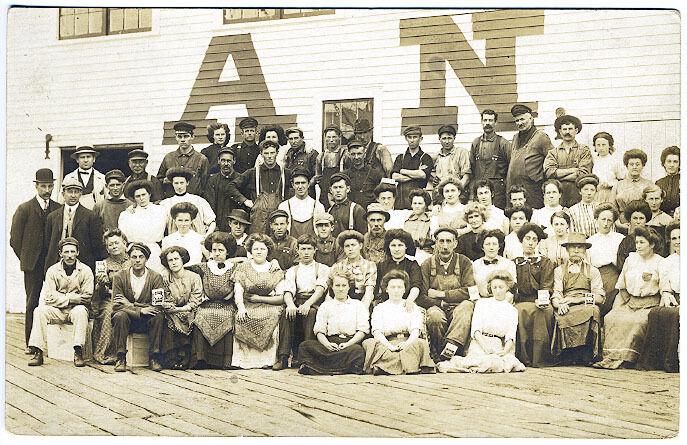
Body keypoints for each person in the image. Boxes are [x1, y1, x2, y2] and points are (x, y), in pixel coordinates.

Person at [594, 226, 663, 369]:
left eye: (642, 242)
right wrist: (618, 307)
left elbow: (663, 290)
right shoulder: (631, 259)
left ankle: (625, 359)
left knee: (636, 322)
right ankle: (609, 357)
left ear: (652, 245)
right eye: (637, 242)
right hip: (629, 301)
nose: (638, 246)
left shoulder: (660, 262)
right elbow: (622, 287)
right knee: (611, 318)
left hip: (650, 304)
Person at [10, 168, 60, 351]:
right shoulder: (25, 208)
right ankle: (31, 344)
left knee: (54, 301)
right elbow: (14, 240)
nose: (47, 190)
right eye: (43, 186)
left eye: (50, 186)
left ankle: (54, 343)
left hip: (54, 264)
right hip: (33, 265)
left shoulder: (58, 208)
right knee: (32, 302)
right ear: (36, 186)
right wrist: (27, 258)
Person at [437, 270, 525, 373]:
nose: (497, 291)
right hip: (479, 343)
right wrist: (485, 347)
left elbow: (510, 335)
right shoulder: (482, 304)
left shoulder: (512, 310)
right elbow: (476, 330)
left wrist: (504, 351)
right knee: (481, 362)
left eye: (501, 287)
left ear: (507, 288)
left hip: (498, 345)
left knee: (499, 363)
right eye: (494, 287)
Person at [27, 238, 93, 367]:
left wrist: (61, 298)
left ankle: (78, 352)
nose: (69, 255)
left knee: (80, 311)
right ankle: (38, 351)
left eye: (72, 251)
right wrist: (71, 298)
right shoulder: (52, 270)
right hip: (57, 310)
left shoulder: (86, 270)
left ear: (78, 253)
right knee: (39, 310)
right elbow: (49, 297)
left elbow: (87, 297)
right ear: (60, 253)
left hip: (75, 309)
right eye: (66, 252)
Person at [417, 227, 477, 360]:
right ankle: (441, 352)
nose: (445, 246)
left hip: (459, 306)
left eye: (449, 241)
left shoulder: (464, 262)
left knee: (467, 306)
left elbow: (469, 291)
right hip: (436, 306)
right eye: (441, 241)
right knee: (434, 317)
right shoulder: (427, 264)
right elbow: (422, 296)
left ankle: (450, 347)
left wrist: (441, 294)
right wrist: (441, 302)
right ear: (436, 243)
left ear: (455, 243)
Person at [364, 270, 435, 375]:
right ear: (387, 289)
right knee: (371, 343)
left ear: (404, 289)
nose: (396, 290)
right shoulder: (380, 308)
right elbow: (377, 332)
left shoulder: (412, 306)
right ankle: (405, 366)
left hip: (408, 342)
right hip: (387, 342)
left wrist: (407, 343)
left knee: (420, 344)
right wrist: (389, 346)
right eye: (393, 287)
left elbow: (416, 330)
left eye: (399, 287)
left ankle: (387, 367)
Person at [297, 271, 369, 375]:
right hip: (329, 344)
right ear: (332, 287)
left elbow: (362, 331)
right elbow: (319, 330)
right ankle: (340, 368)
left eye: (344, 285)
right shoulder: (325, 306)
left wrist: (347, 344)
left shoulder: (358, 305)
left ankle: (319, 368)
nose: (340, 289)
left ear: (349, 287)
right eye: (337, 285)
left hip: (349, 344)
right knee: (305, 346)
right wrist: (327, 344)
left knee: (358, 351)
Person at [275, 235, 330, 370]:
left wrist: (308, 304)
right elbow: (288, 291)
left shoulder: (322, 268)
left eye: (309, 249)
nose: (306, 252)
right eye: (303, 249)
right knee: (286, 314)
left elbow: (320, 290)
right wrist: (290, 305)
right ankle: (283, 357)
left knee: (311, 314)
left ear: (315, 250)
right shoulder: (293, 270)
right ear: (298, 250)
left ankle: (306, 358)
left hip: (315, 302)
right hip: (297, 301)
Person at [110, 242, 167, 372]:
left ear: (146, 259)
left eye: (141, 257)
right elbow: (117, 305)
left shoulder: (155, 277)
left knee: (158, 316)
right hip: (128, 320)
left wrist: (129, 304)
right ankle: (120, 357)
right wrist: (140, 310)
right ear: (129, 258)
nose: (137, 260)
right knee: (120, 315)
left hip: (147, 321)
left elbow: (157, 305)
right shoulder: (119, 277)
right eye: (134, 257)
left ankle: (154, 357)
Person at [232, 234, 286, 369]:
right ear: (250, 251)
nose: (259, 252)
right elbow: (238, 290)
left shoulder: (274, 269)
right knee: (242, 317)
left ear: (268, 251)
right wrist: (241, 307)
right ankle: (244, 361)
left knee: (273, 316)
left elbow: (281, 297)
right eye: (256, 249)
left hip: (270, 304)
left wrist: (261, 299)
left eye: (262, 249)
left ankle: (267, 360)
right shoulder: (243, 268)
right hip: (248, 304)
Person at [550, 233, 605, 365]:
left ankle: (586, 353)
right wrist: (559, 304)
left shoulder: (593, 271)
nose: (576, 250)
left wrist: (578, 300)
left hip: (585, 302)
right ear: (567, 250)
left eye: (580, 247)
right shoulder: (559, 270)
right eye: (572, 247)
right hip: (565, 302)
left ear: (585, 251)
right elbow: (556, 293)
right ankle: (567, 354)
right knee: (562, 314)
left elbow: (600, 297)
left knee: (593, 310)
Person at [189, 232, 239, 370]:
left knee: (228, 317)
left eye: (221, 250)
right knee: (200, 316)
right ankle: (200, 358)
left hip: (227, 304)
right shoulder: (203, 267)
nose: (217, 253)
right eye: (214, 250)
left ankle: (225, 361)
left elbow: (248, 261)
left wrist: (235, 260)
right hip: (207, 303)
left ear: (228, 252)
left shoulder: (234, 267)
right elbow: (184, 268)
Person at [637, 222, 679, 372]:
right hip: (673, 297)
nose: (678, 241)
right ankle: (654, 361)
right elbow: (665, 282)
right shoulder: (668, 261)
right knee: (656, 313)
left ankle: (672, 362)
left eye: (681, 237)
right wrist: (666, 293)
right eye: (674, 238)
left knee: (675, 315)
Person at [228, 140, 293, 234]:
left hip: (278, 220)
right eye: (266, 153)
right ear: (261, 154)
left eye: (272, 153)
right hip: (258, 221)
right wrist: (245, 201)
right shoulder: (253, 173)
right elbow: (231, 187)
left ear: (277, 153)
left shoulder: (286, 173)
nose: (270, 156)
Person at [513, 223, 555, 367]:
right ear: (521, 240)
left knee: (543, 311)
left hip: (539, 300)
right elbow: (512, 286)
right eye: (527, 239)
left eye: (534, 239)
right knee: (518, 311)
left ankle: (539, 357)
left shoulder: (545, 262)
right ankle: (523, 356)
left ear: (537, 242)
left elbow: (547, 285)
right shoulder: (514, 262)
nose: (530, 243)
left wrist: (542, 299)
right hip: (520, 301)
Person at [156, 246, 202, 370]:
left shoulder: (194, 277)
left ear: (183, 260)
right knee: (168, 320)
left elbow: (196, 300)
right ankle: (171, 357)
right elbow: (165, 299)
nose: (174, 262)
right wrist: (169, 306)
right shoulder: (164, 278)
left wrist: (182, 309)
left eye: (176, 258)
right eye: (170, 260)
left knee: (193, 319)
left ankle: (186, 357)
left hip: (190, 310)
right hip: (171, 312)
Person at [45, 177, 104, 273]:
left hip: (82, 266)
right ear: (63, 194)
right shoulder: (52, 216)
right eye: (70, 192)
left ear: (80, 194)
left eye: (76, 192)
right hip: (57, 265)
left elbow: (96, 245)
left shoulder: (90, 216)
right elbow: (48, 244)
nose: (73, 195)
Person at [91, 229, 130, 365]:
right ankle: (105, 353)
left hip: (132, 300)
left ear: (125, 244)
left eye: (117, 243)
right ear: (107, 248)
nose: (114, 246)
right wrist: (101, 284)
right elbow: (99, 292)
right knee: (109, 312)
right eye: (110, 245)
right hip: (110, 299)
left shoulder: (134, 260)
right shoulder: (103, 264)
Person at [506, 103, 554, 209]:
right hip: (515, 189)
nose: (520, 123)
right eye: (517, 121)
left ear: (531, 118)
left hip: (532, 189)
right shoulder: (515, 138)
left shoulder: (541, 137)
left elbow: (552, 161)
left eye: (522, 119)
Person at [543, 115, 593, 207]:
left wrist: (558, 176)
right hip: (558, 198)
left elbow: (583, 174)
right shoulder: (553, 153)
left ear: (576, 130)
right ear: (560, 131)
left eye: (570, 129)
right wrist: (573, 170)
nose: (567, 132)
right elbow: (549, 173)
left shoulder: (583, 150)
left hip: (577, 195)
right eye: (564, 129)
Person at [119, 181, 167, 274]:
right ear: (134, 198)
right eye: (137, 196)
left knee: (155, 276)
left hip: (154, 251)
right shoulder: (127, 214)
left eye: (143, 194)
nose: (141, 198)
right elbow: (123, 236)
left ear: (149, 194)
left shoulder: (161, 210)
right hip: (135, 250)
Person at [587, 203, 625, 316]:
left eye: (609, 220)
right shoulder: (590, 241)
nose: (606, 223)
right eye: (603, 219)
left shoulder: (620, 238)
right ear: (596, 220)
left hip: (616, 274)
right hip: (596, 276)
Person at [469, 110, 510, 209]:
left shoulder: (503, 143)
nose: (487, 123)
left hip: (498, 192)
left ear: (495, 123)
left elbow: (511, 167)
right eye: (485, 120)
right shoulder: (476, 143)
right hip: (479, 190)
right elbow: (471, 168)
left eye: (491, 120)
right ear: (481, 122)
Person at [157, 122, 210, 198]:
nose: (182, 140)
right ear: (176, 137)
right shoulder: (168, 158)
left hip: (193, 202)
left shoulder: (201, 159)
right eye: (179, 136)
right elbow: (158, 181)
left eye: (186, 136)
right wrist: (167, 180)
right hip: (172, 201)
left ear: (192, 137)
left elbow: (206, 185)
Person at [160, 167, 217, 236]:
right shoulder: (165, 203)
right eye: (176, 183)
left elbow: (212, 222)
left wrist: (206, 236)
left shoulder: (198, 200)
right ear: (172, 184)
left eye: (182, 183)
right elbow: (160, 226)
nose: (179, 186)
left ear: (187, 183)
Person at [329, 230, 377, 310]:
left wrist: (362, 310)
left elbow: (369, 292)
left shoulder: (369, 266)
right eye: (347, 246)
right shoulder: (337, 266)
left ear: (360, 246)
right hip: (340, 304)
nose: (350, 249)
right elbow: (330, 292)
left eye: (353, 245)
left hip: (362, 302)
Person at [375, 229, 423, 306]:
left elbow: (416, 286)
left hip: (406, 303)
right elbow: (377, 287)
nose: (397, 249)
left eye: (400, 245)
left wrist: (409, 300)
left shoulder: (412, 265)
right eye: (393, 245)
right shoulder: (381, 265)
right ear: (389, 247)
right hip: (386, 303)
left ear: (406, 247)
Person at [391, 126, 434, 210]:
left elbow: (422, 175)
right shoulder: (400, 157)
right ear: (406, 138)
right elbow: (394, 177)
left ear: (420, 138)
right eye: (409, 137)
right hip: (401, 202)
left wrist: (402, 171)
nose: (412, 140)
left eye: (415, 137)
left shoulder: (425, 158)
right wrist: (415, 175)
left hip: (419, 201)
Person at [277, 168, 325, 239]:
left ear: (308, 184)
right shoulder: (284, 206)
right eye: (297, 183)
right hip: (292, 247)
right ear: (293, 185)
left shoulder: (318, 206)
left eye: (303, 183)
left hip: (311, 247)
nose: (300, 187)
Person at [342, 139, 386, 210]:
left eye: (359, 154)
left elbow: (382, 193)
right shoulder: (344, 175)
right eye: (353, 154)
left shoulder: (375, 173)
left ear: (364, 154)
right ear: (349, 155)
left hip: (370, 211)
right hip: (351, 211)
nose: (356, 157)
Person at [472, 229, 517, 298]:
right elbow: (473, 288)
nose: (491, 248)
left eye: (494, 244)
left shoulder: (509, 264)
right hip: (482, 301)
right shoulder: (475, 265)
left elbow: (512, 289)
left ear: (499, 246)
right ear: (482, 247)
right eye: (487, 244)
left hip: (504, 300)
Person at [205, 147, 241, 232]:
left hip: (236, 227)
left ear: (234, 161)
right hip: (218, 226)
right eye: (223, 160)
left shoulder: (240, 179)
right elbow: (210, 204)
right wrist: (214, 225)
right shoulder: (212, 180)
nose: (226, 164)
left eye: (229, 161)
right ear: (218, 161)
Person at [613, 149, 653, 224]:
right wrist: (618, 224)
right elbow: (612, 208)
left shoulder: (649, 184)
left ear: (643, 165)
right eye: (631, 164)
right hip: (622, 223)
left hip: (642, 222)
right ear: (627, 166)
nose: (634, 167)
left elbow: (653, 207)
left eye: (637, 164)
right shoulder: (618, 185)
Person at [432, 124, 471, 203]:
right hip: (440, 194)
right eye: (444, 138)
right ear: (439, 139)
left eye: (449, 138)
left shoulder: (461, 152)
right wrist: (433, 179)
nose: (447, 141)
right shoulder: (436, 157)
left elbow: (466, 177)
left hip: (457, 194)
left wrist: (456, 192)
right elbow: (429, 173)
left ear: (454, 138)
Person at [61, 146, 106, 210]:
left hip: (95, 216)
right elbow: (61, 201)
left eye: (88, 157)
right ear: (77, 160)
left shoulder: (102, 178)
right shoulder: (68, 178)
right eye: (82, 157)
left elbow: (107, 202)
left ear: (94, 159)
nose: (85, 160)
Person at [326, 172, 367, 237]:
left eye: (341, 187)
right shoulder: (330, 211)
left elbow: (363, 235)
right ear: (331, 190)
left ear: (347, 189)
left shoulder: (356, 209)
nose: (338, 190)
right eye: (335, 187)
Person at [315, 125, 347, 208]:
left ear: (339, 137)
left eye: (334, 137)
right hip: (325, 194)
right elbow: (318, 177)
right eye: (328, 137)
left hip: (340, 193)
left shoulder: (345, 154)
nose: (331, 140)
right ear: (325, 138)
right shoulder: (321, 156)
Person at [616, 200, 653, 270]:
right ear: (630, 220)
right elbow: (621, 266)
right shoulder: (626, 242)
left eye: (641, 218)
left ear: (646, 220)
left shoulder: (653, 237)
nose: (638, 222)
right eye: (635, 218)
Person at [590, 132, 624, 205]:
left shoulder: (614, 161)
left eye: (604, 145)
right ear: (595, 146)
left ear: (609, 146)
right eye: (598, 145)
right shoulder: (594, 160)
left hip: (610, 193)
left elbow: (621, 180)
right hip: (596, 192)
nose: (601, 148)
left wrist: (610, 184)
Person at [404, 188, 434, 264]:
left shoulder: (431, 220)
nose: (417, 206)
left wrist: (433, 249)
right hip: (406, 255)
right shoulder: (405, 219)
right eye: (414, 203)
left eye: (420, 203)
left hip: (424, 256)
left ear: (426, 205)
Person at [284, 127, 318, 192]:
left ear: (302, 138)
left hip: (306, 191)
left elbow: (317, 175)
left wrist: (306, 186)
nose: (293, 141)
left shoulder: (311, 153)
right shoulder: (287, 153)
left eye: (296, 138)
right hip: (290, 191)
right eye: (291, 139)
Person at [655, 145, 680, 215]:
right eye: (669, 161)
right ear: (664, 163)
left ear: (679, 164)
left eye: (675, 162)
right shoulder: (659, 183)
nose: (671, 165)